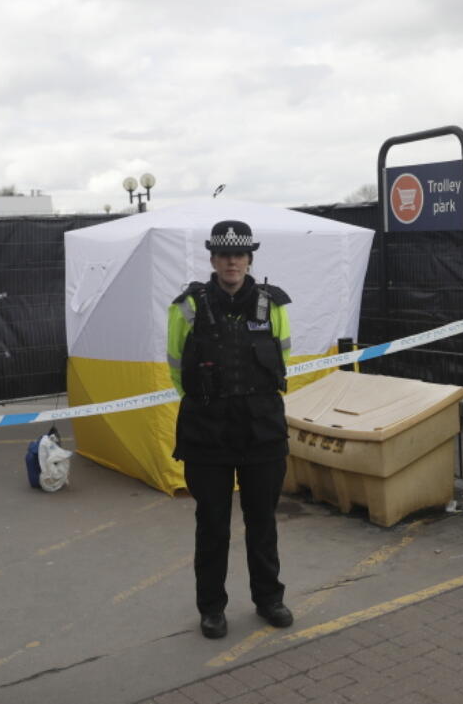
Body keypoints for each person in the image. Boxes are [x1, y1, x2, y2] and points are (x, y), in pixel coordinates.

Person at [167, 220, 295, 638]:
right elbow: (175, 369)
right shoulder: (186, 306)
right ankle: (212, 608)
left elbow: (283, 360)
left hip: (261, 430)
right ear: (213, 259)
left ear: (249, 259)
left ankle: (269, 599)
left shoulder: (272, 304)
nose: (232, 262)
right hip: (208, 431)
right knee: (212, 525)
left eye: (239, 255)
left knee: (263, 521)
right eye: (224, 255)